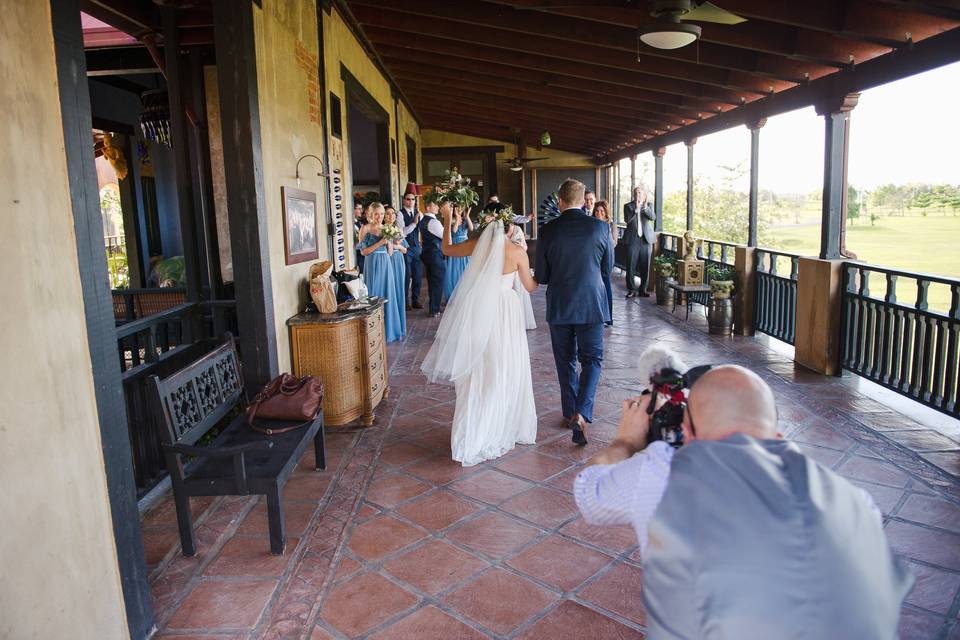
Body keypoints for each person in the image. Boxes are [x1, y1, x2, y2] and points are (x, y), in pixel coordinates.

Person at [574, 360, 913, 640]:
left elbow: (588, 491)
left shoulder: (663, 469)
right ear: (776, 433)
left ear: (689, 433)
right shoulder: (856, 502)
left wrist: (626, 442)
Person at [421, 201, 538, 466]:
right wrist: (540, 276)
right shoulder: (518, 251)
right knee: (504, 367)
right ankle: (500, 423)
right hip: (506, 313)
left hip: (478, 310)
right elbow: (530, 287)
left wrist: (450, 218)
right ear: (510, 229)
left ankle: (471, 433)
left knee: (478, 370)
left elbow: (446, 248)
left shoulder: (478, 245)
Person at [534, 179, 613, 446]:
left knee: (565, 360)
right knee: (592, 360)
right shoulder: (601, 228)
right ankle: (583, 412)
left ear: (560, 200)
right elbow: (607, 269)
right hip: (592, 302)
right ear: (583, 200)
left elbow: (542, 276)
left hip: (560, 304)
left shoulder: (548, 231)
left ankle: (570, 412)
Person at [358, 203, 403, 342]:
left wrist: (388, 242)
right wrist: (380, 242)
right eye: (377, 213)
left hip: (386, 264)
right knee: (373, 294)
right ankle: (373, 333)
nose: (379, 217)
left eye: (382, 214)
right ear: (371, 214)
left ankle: (388, 331)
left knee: (387, 294)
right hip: (372, 263)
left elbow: (390, 253)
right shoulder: (365, 228)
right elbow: (363, 252)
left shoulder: (386, 228)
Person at [622, 186, 655, 298]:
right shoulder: (628, 206)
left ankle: (643, 289)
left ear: (644, 195)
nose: (638, 195)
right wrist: (636, 210)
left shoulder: (649, 205)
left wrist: (644, 208)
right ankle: (631, 289)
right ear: (633, 195)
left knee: (645, 265)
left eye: (640, 193)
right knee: (630, 265)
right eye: (636, 193)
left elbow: (653, 217)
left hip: (646, 240)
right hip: (632, 239)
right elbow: (627, 220)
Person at [506, 211, 536, 331]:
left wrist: (516, 247)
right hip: (506, 265)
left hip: (517, 264)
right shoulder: (499, 231)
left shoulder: (518, 230)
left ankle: (521, 321)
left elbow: (524, 246)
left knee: (519, 291)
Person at [383, 206, 408, 338]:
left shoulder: (397, 229)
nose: (391, 216)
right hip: (388, 260)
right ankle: (391, 324)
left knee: (399, 290)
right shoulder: (382, 230)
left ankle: (400, 325)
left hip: (398, 261)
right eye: (387, 214)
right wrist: (397, 246)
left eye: (393, 213)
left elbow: (405, 250)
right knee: (390, 290)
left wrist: (397, 246)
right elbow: (392, 248)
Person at [419, 201, 446, 318]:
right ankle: (434, 309)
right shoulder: (433, 222)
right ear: (429, 207)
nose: (437, 207)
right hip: (435, 254)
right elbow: (445, 236)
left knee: (432, 282)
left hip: (428, 254)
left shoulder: (423, 221)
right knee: (437, 281)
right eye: (435, 205)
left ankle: (434, 306)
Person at [442, 206, 474, 302]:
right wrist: (457, 217)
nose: (459, 209)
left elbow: (471, 228)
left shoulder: (465, 220)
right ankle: (455, 294)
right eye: (457, 208)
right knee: (455, 270)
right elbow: (454, 231)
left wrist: (467, 216)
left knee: (465, 270)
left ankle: (465, 292)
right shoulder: (451, 220)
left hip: (465, 246)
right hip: (456, 246)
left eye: (460, 208)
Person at [593, 199, 617, 327]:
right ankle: (598, 316)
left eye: (602, 211)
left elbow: (614, 242)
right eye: (597, 211)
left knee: (606, 287)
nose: (599, 213)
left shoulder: (610, 225)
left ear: (606, 212)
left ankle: (609, 318)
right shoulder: (591, 224)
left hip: (606, 259)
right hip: (594, 259)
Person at [399, 188, 423, 310]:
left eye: (413, 199)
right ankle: (405, 302)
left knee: (418, 275)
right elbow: (402, 233)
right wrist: (414, 223)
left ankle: (415, 300)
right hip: (406, 248)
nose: (411, 201)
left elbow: (421, 229)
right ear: (404, 200)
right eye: (408, 199)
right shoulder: (400, 214)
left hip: (417, 248)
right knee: (406, 276)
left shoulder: (418, 212)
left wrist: (420, 240)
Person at [354, 202, 366, 273]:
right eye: (359, 209)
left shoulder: (358, 222)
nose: (361, 211)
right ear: (353, 209)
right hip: (358, 254)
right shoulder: (352, 223)